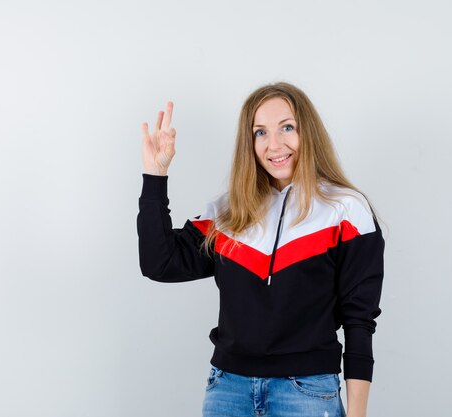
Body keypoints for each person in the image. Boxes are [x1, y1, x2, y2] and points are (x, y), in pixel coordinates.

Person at [137, 82, 384, 417]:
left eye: (287, 127)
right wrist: (155, 175)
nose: (274, 144)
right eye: (260, 132)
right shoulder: (228, 213)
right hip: (227, 390)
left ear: (307, 132)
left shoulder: (347, 211)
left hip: (306, 392)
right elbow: (159, 263)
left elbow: (359, 321)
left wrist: (357, 414)